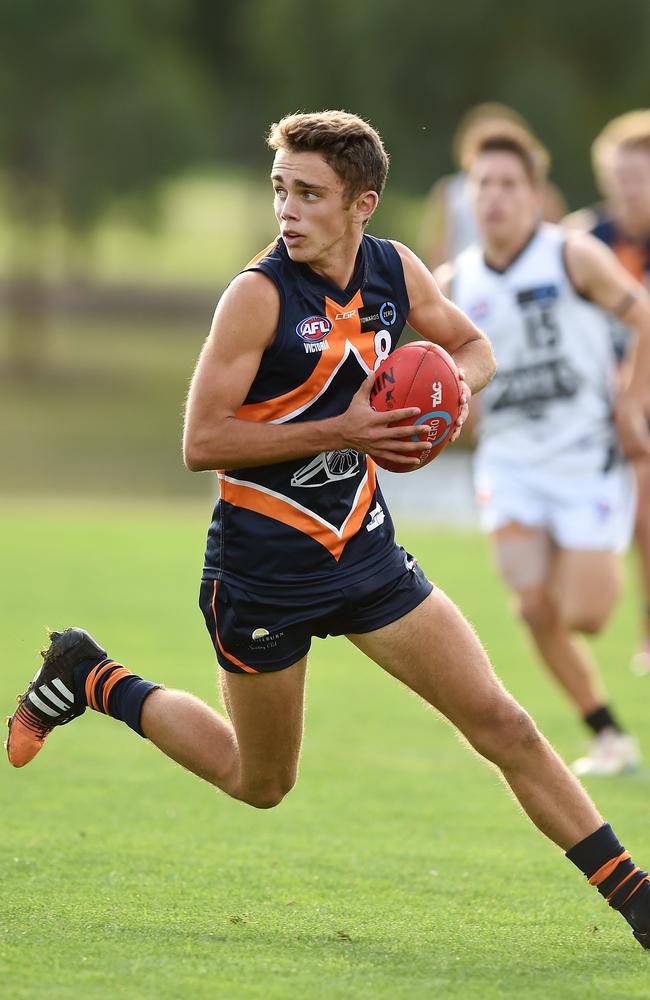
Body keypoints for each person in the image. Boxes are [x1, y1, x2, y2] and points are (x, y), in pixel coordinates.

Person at [6, 110, 650, 949]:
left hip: (366, 552)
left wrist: (449, 392)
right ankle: (94, 678)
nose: (288, 210)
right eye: (281, 190)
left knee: (505, 724)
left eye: (309, 194)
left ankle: (635, 900)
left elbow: (474, 345)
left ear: (363, 203)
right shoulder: (257, 296)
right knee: (260, 780)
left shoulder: (394, 268)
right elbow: (202, 443)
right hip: (262, 570)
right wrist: (345, 430)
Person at [436, 127, 650, 778]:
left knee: (584, 615)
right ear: (469, 197)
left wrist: (630, 400)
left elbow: (644, 316)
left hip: (584, 454)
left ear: (534, 195)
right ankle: (607, 733)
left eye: (508, 185)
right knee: (531, 606)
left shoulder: (571, 256)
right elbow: (440, 370)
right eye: (483, 185)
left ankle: (578, 559)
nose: (494, 198)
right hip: (510, 462)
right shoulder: (452, 281)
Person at [564, 110, 650, 676]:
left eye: (639, 175)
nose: (628, 186)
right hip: (589, 403)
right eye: (620, 174)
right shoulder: (580, 239)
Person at [419, 102, 566, 270]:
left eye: (508, 184)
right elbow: (436, 250)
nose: (495, 194)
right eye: (484, 183)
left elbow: (558, 243)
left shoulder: (544, 193)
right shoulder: (448, 191)